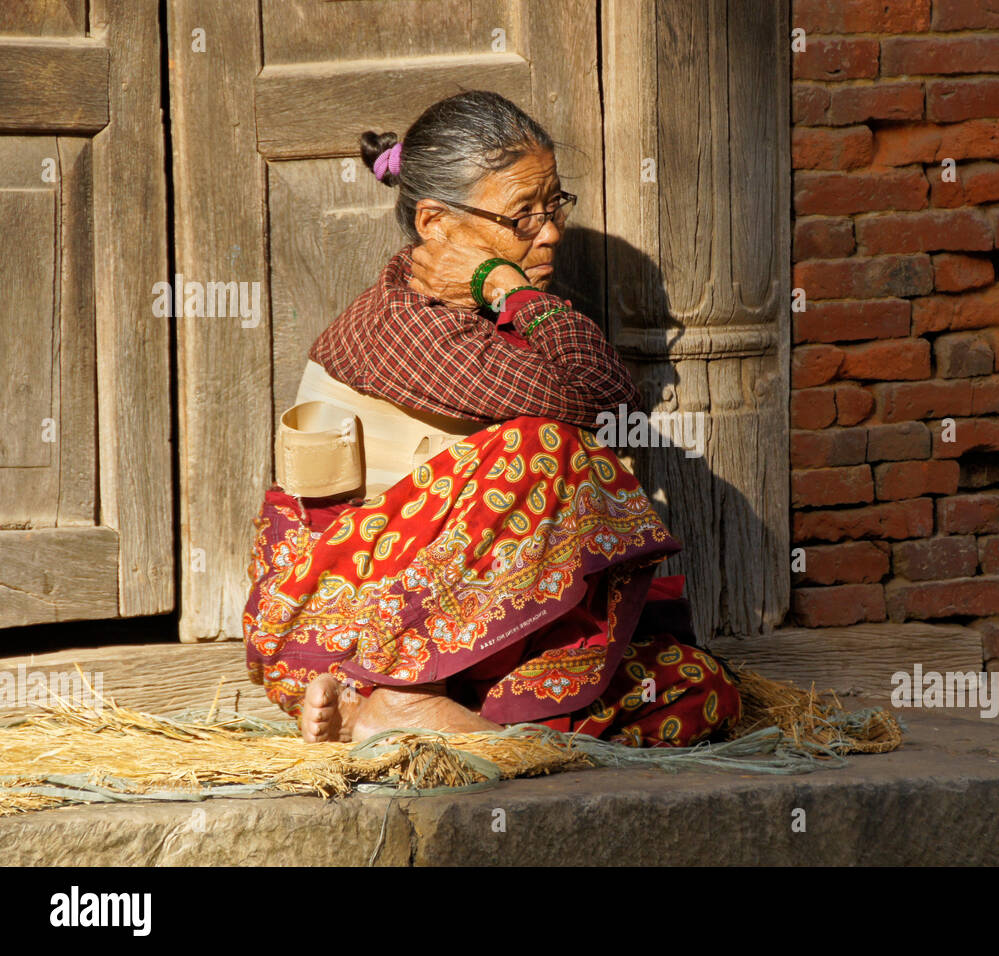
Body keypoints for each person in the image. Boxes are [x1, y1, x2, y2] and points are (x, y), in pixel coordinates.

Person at [243, 90, 742, 748]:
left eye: (554, 204)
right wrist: (512, 288)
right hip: (350, 612)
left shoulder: (498, 310)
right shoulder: (402, 322)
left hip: (470, 631)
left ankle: (458, 727)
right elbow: (595, 404)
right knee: (542, 450)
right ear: (436, 224)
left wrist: (510, 292)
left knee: (698, 690)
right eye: (523, 215)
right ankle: (399, 695)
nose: (551, 231)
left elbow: (615, 399)